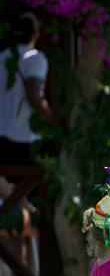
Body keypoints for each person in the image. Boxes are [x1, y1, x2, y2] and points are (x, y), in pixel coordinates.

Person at [0, 12, 55, 165]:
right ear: (36, 34)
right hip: (23, 136)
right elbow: (34, 95)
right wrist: (51, 118)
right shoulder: (35, 58)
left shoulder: (2, 57)